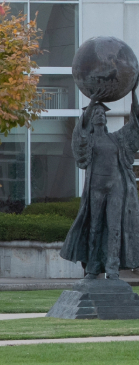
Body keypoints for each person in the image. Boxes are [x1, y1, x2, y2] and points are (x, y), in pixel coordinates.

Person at [61, 89, 139, 279]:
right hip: (96, 188)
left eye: (102, 113)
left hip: (116, 189)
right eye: (97, 113)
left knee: (114, 228)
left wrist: (133, 93)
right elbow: (79, 136)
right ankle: (93, 267)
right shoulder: (88, 140)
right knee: (94, 227)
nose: (100, 116)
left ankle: (112, 269)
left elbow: (135, 123)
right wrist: (93, 102)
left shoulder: (117, 139)